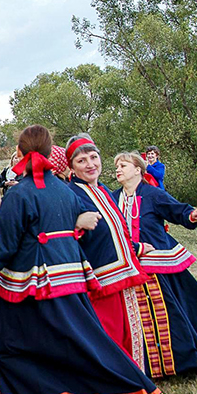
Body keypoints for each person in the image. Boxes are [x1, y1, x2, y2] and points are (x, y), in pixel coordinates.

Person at [0, 125, 184, 394]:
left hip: (30, 290)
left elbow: (0, 250)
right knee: (76, 349)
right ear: (54, 156)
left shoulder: (20, 193)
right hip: (70, 284)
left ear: (19, 154)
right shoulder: (66, 191)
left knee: (10, 351)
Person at [113, 152, 197, 377]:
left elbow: (177, 210)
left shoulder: (152, 194)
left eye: (123, 165)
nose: (118, 169)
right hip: (128, 265)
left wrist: (194, 215)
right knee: (132, 317)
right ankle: (140, 366)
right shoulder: (113, 197)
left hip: (156, 264)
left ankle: (186, 363)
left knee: (170, 316)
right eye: (116, 166)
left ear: (138, 170)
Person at [64, 134, 151, 371]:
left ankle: (132, 377)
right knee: (104, 333)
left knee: (126, 331)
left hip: (123, 275)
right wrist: (76, 222)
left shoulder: (103, 190)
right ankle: (113, 380)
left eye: (94, 157)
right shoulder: (69, 194)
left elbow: (114, 233)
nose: (90, 164)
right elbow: (57, 230)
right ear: (71, 167)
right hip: (97, 280)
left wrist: (138, 248)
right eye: (82, 161)